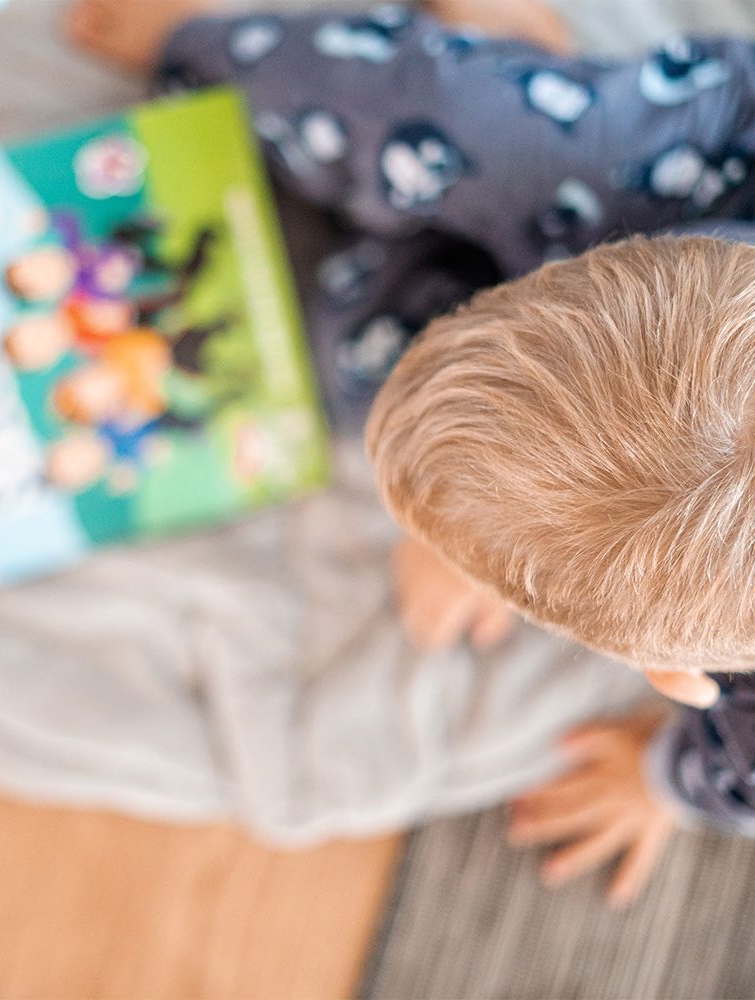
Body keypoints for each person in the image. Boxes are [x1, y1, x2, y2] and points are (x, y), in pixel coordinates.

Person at [67, 0, 755, 904]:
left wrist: (663, 780)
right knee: (476, 121)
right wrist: (192, 45)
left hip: (613, 231)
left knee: (351, 352)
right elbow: (386, 93)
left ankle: (525, 82)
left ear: (685, 678)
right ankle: (529, 80)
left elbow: (743, 777)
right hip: (697, 168)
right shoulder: (597, 152)